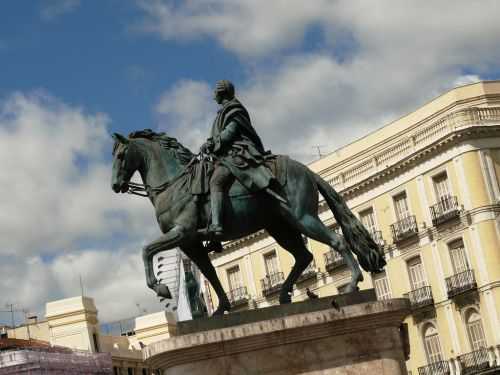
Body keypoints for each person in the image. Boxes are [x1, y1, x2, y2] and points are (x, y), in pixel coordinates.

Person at [200, 80, 278, 238]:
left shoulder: (234, 109)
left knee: (215, 182)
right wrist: (210, 144)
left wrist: (213, 143)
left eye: (216, 91)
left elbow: (230, 132)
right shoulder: (224, 111)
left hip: (237, 152)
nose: (213, 94)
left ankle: (217, 225)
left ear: (222, 92)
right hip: (224, 153)